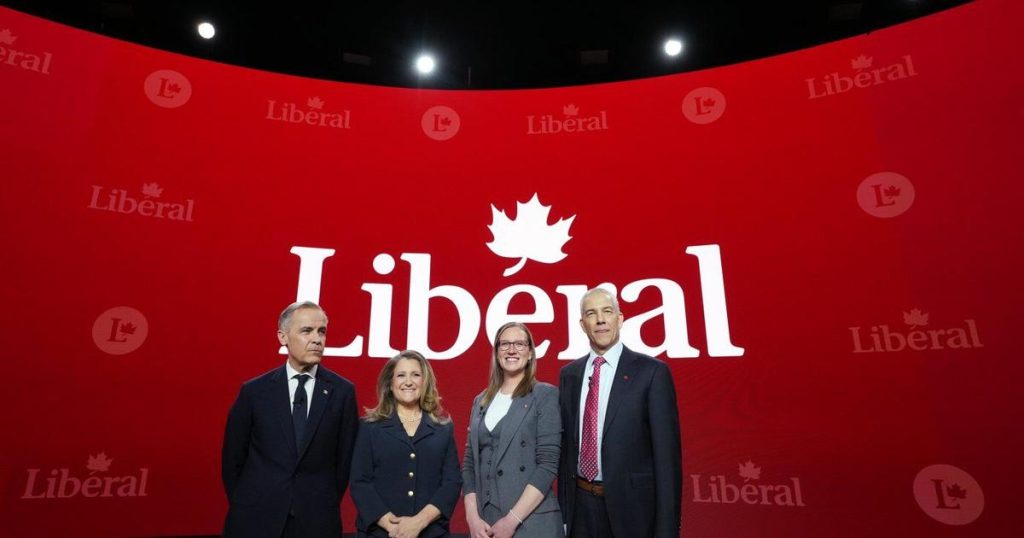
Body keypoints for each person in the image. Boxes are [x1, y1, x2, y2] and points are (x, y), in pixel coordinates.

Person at [222, 301, 359, 538]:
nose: (317, 339)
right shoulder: (254, 392)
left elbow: (344, 463)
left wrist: (317, 501)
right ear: (283, 337)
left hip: (316, 521)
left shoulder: (342, 392)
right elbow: (232, 460)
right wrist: (251, 501)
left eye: (322, 331)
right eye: (306, 331)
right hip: (255, 520)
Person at [558, 288, 682, 538]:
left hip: (633, 513)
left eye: (607, 311)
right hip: (580, 510)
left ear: (620, 319)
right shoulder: (569, 375)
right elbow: (566, 453)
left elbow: (667, 462)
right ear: (583, 325)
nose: (600, 319)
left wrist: (667, 530)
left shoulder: (652, 373)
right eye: (591, 314)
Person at [462, 322, 564, 538]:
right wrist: (472, 518)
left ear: (529, 353)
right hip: (485, 525)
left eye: (519, 344)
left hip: (531, 523)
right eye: (505, 344)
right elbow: (470, 463)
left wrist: (511, 521)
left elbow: (547, 465)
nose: (511, 350)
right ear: (497, 352)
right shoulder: (480, 401)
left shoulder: (544, 395)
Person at [350, 350, 462, 538]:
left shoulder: (442, 428)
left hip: (431, 533)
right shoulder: (370, 427)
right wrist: (393, 527)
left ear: (424, 382)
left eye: (415, 375)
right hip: (380, 533)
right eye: (401, 375)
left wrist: (419, 522)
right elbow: (360, 482)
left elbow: (452, 482)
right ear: (390, 384)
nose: (408, 382)